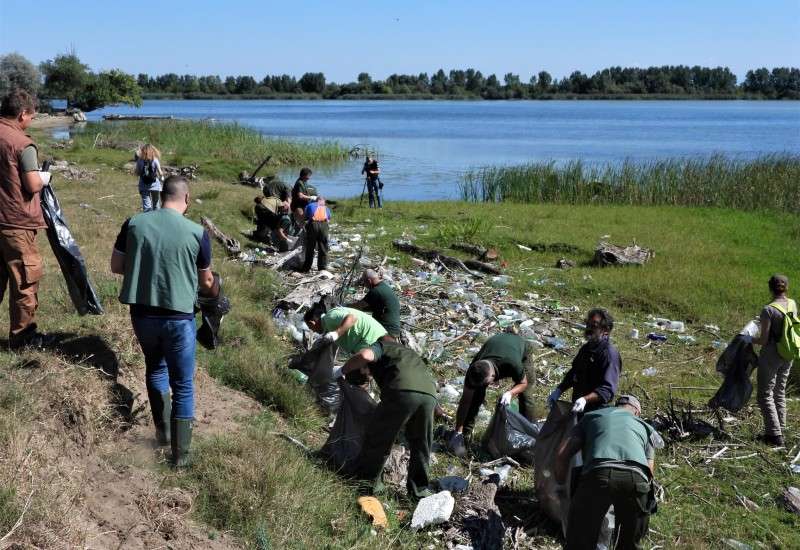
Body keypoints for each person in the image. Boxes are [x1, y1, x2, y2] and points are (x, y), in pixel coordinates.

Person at [110, 175, 215, 467]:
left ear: (160, 196)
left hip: (142, 315)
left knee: (155, 367)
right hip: (179, 317)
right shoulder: (196, 232)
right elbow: (206, 282)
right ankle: (181, 459)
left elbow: (117, 265)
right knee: (182, 384)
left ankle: (164, 435)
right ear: (187, 198)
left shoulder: (133, 223)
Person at [555, 395, 658, 550]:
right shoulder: (644, 427)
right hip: (637, 479)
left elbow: (562, 454)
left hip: (597, 474)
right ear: (637, 412)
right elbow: (649, 471)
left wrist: (561, 484)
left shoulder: (592, 416)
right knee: (629, 544)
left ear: (616, 407)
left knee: (579, 542)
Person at [340, 340, 436, 498]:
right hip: (430, 395)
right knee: (421, 444)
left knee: (379, 438)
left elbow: (365, 355)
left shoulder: (380, 346)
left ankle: (367, 485)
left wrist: (342, 371)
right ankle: (419, 491)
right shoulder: (407, 354)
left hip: (402, 390)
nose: (368, 376)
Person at [0, 89, 52, 349]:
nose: (31, 121)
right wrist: (45, 178)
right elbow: (32, 184)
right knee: (24, 281)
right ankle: (22, 338)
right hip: (15, 222)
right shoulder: (22, 143)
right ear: (22, 114)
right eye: (32, 117)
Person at [448, 332, 536, 457]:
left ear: (494, 377)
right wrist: (458, 431)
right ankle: (465, 437)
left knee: (526, 397)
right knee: (475, 397)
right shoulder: (475, 369)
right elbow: (466, 401)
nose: (483, 386)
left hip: (518, 345)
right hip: (496, 343)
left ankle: (530, 436)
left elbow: (523, 383)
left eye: (486, 384)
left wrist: (510, 393)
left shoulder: (512, 363)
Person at [548, 308, 621, 415]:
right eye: (588, 324)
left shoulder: (609, 355)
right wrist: (559, 390)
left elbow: (607, 390)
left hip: (595, 412)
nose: (589, 329)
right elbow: (574, 372)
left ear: (606, 330)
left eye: (594, 326)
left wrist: (585, 399)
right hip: (578, 407)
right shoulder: (586, 349)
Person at [750, 274, 794, 447]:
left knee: (764, 394)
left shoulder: (768, 309)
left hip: (771, 354)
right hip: (788, 351)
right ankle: (780, 427)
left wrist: (748, 339)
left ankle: (774, 435)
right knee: (779, 391)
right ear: (786, 288)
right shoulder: (792, 304)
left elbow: (763, 340)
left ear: (770, 287)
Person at [304, 304, 390, 374]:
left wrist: (337, 333)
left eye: (310, 327)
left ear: (312, 322)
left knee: (358, 375)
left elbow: (352, 318)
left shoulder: (330, 317)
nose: (312, 330)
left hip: (373, 340)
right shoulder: (328, 326)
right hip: (375, 342)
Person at [348, 269, 401, 337]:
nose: (365, 286)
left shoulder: (375, 291)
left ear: (369, 281)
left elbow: (359, 306)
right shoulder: (385, 287)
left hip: (385, 330)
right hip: (394, 329)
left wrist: (345, 306)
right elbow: (370, 307)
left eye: (364, 283)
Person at [299, 196, 330, 273]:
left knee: (310, 247)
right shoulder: (326, 208)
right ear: (322, 201)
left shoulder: (310, 205)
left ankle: (306, 268)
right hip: (324, 225)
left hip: (313, 225)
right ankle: (322, 268)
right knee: (323, 247)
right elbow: (329, 218)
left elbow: (305, 217)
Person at [135, 144, 164, 212]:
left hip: (143, 185)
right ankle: (157, 219)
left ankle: (148, 219)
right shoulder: (155, 160)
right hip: (155, 185)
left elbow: (137, 172)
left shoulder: (140, 160)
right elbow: (160, 173)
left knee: (146, 205)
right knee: (156, 204)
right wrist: (162, 178)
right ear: (153, 151)